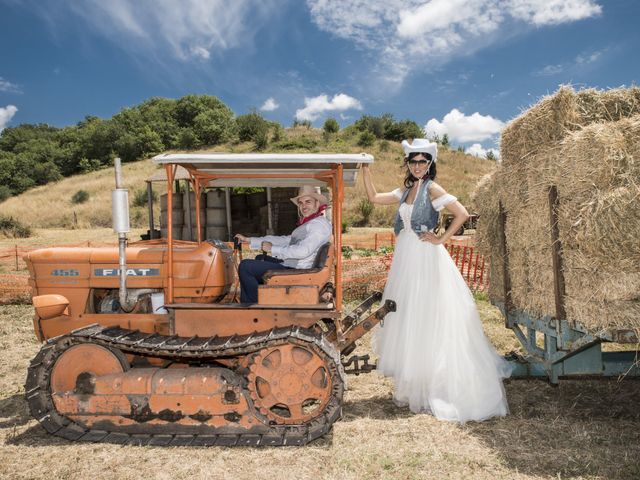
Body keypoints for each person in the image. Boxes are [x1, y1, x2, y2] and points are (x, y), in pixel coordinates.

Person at [361, 138, 510, 422]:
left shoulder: (433, 189)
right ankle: (415, 381)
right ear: (408, 164)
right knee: (409, 315)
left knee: (427, 314)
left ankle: (435, 385)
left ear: (430, 164)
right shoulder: (405, 190)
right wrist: (366, 171)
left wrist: (442, 238)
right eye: (413, 161)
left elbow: (462, 213)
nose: (417, 166)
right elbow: (373, 199)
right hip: (406, 255)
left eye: (423, 162)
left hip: (425, 255)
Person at [234, 185, 331, 303]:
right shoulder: (311, 223)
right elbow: (285, 240)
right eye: (300, 203)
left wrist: (273, 248)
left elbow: (303, 251)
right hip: (296, 265)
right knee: (260, 258)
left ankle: (255, 305)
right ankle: (260, 296)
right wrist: (250, 240)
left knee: (245, 266)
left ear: (317, 204)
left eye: (308, 202)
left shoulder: (318, 225)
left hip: (299, 269)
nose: (303, 206)